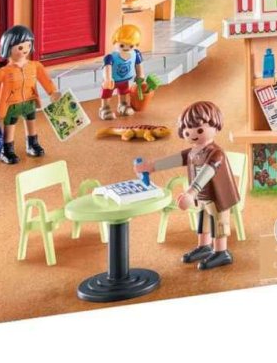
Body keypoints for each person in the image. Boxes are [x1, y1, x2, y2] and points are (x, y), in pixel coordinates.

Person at [134, 101, 240, 270]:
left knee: (218, 222)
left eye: (199, 130)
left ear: (216, 126)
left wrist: (191, 193)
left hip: (218, 197)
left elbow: (207, 171)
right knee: (203, 220)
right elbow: (175, 159)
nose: (193, 135)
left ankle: (221, 251)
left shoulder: (216, 154)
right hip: (202, 196)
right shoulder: (192, 152)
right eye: (187, 131)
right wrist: (151, 166)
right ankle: (204, 246)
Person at [0, 25, 61, 165]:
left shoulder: (35, 66)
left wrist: (52, 92)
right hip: (11, 105)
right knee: (10, 126)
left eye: (28, 45)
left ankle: (32, 144)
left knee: (31, 122)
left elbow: (46, 80)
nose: (25, 50)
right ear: (8, 48)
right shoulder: (2, 73)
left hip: (29, 101)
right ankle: (7, 150)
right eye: (20, 47)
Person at [99, 24, 145, 120]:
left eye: (131, 45)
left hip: (124, 80)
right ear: (115, 42)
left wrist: (140, 75)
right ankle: (105, 108)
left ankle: (123, 105)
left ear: (136, 44)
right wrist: (107, 78)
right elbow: (107, 67)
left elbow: (138, 65)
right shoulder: (111, 57)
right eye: (122, 45)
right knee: (107, 93)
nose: (126, 48)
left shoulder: (136, 54)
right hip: (112, 81)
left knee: (124, 92)